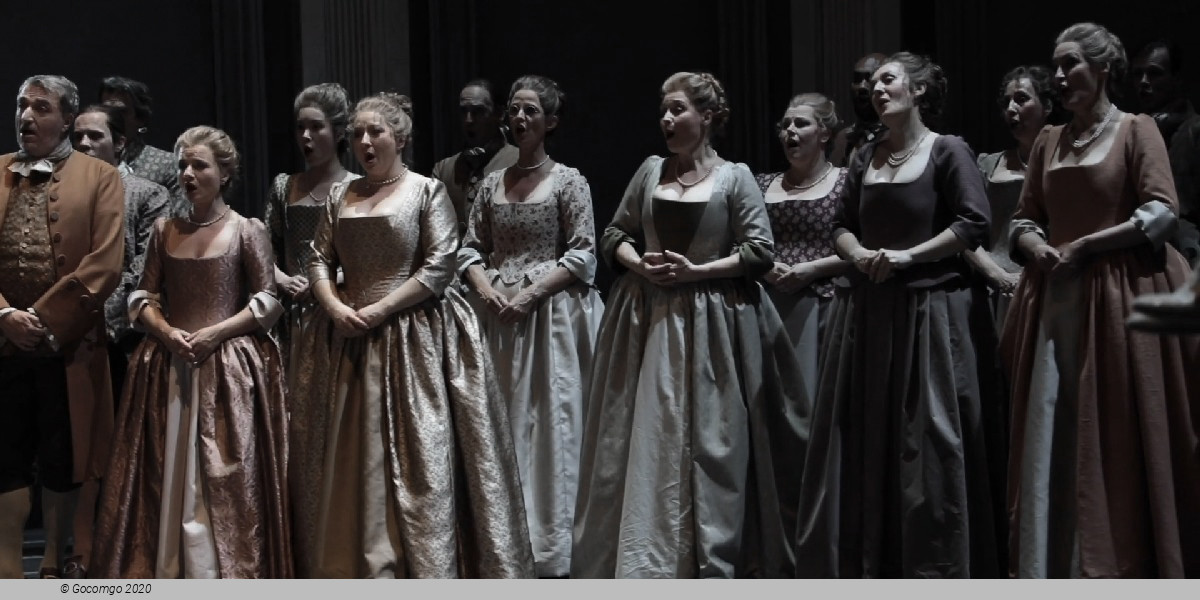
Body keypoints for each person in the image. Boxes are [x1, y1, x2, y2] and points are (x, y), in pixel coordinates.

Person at [571, 72, 808, 578]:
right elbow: (614, 234)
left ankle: (711, 560)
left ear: (708, 117)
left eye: (677, 109)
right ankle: (645, 557)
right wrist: (639, 264)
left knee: (712, 440)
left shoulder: (734, 177)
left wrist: (699, 271)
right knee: (642, 435)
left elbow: (760, 252)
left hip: (713, 320)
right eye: (663, 110)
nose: (666, 119)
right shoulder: (650, 171)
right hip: (646, 318)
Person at [294, 92, 534, 578]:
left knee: (417, 456)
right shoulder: (341, 195)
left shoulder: (425, 191)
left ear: (399, 138)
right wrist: (335, 306)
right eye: (357, 134)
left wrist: (381, 308)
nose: (364, 142)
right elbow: (318, 258)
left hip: (412, 336)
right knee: (352, 455)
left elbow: (440, 264)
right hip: (348, 336)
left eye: (375, 132)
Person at [1001, 22, 1200, 578]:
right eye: (1056, 66)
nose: (1060, 76)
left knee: (1116, 425)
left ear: (1103, 68)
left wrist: (1089, 244)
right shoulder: (1048, 141)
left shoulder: (1137, 130)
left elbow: (1161, 212)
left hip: (1120, 294)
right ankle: (1053, 563)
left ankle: (1123, 562)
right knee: (1056, 424)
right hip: (1056, 298)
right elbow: (1023, 217)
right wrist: (1035, 246)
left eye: (1071, 64)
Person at [794, 53, 1004, 577]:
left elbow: (974, 222)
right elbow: (841, 225)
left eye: (889, 79)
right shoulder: (866, 155)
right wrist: (860, 253)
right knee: (872, 438)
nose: (877, 88)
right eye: (874, 83)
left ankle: (936, 565)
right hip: (871, 312)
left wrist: (910, 257)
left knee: (929, 443)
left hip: (930, 312)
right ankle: (877, 564)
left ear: (920, 90)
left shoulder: (947, 150)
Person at [90, 126, 292, 578]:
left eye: (199, 165)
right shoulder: (165, 230)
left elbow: (267, 300)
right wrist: (166, 333)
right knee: (165, 470)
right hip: (169, 364)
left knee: (222, 474)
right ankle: (170, 569)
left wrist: (216, 333)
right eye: (183, 164)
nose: (187, 173)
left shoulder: (247, 230)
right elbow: (142, 297)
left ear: (225, 173)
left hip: (229, 368)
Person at [458, 75, 603, 578]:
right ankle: (498, 537)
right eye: (515, 111)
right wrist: (486, 289)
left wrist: (532, 294)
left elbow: (583, 253)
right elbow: (469, 249)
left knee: (548, 423)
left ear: (551, 122)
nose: (520, 119)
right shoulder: (491, 184)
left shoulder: (568, 180)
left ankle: (549, 544)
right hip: (496, 312)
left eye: (531, 112)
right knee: (496, 421)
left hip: (549, 317)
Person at [0, 75, 124, 579]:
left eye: (41, 107)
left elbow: (106, 261)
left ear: (68, 118)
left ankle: (53, 561)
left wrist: (45, 322)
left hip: (68, 348)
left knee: (64, 457)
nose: (26, 117)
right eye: (22, 106)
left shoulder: (100, 177)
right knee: (5, 457)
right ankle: (7, 569)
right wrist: (5, 316)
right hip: (3, 346)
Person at [261, 84, 359, 576]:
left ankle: (334, 542)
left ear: (338, 132)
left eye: (316, 127)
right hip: (289, 325)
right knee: (289, 430)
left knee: (331, 427)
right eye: (300, 127)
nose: (305, 136)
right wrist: (283, 279)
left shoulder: (356, 187)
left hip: (333, 319)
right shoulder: (285, 187)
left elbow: (364, 257)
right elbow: (263, 247)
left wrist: (326, 283)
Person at [754, 92, 851, 407]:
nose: (790, 132)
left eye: (800, 124)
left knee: (819, 396)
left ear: (824, 133)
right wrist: (765, 267)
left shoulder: (846, 182)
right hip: (769, 303)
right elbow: (741, 242)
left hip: (827, 303)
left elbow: (865, 246)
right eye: (785, 125)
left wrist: (813, 269)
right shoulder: (761, 185)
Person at [73, 104, 171, 396]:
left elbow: (143, 267)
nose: (84, 143)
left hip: (121, 336)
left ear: (119, 143)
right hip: (67, 332)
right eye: (77, 137)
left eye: (94, 136)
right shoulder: (60, 193)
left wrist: (97, 318)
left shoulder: (148, 194)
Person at [967, 66, 1060, 333]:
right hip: (995, 288)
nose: (1011, 108)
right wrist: (997, 275)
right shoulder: (988, 164)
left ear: (1047, 106)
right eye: (1006, 102)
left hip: (1051, 284)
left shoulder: (1067, 163)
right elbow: (965, 233)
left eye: (1021, 99)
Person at [1130, 40, 1200, 261]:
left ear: (1176, 78)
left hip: (1186, 251)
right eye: (1138, 74)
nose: (1144, 81)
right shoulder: (1130, 132)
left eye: (1154, 73)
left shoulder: (1194, 131)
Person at [432, 80, 520, 234]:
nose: (469, 120)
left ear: (499, 114)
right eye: (463, 111)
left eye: (478, 111)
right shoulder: (444, 169)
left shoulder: (520, 162)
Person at [98, 76, 186, 216]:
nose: (112, 118)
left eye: (121, 112)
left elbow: (180, 218)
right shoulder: (87, 161)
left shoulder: (166, 164)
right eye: (106, 111)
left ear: (140, 118)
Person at [830, 53, 889, 167]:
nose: (862, 87)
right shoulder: (843, 139)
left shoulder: (899, 137)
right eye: (857, 79)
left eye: (870, 79)